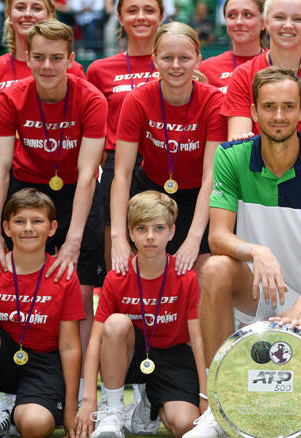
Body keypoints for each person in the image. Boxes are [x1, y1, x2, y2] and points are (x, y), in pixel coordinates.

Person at [180, 66, 301, 438]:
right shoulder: (231, 157)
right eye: (270, 107)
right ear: (254, 111)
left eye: (288, 106)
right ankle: (216, 404)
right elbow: (218, 236)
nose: (279, 116)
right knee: (214, 268)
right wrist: (255, 251)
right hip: (255, 293)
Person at [0, 19, 106, 362]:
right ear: (27, 57)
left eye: (56, 58)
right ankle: (10, 375)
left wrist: (73, 239)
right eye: (39, 57)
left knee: (81, 290)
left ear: (71, 59)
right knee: (14, 280)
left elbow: (88, 174)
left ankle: (85, 386)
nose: (47, 66)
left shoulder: (92, 99)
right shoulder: (8, 97)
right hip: (26, 189)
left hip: (76, 192)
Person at [75, 191, 205, 438]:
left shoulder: (185, 276)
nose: (150, 237)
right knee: (115, 323)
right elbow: (95, 341)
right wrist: (88, 399)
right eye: (142, 228)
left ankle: (149, 404)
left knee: (186, 425)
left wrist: (205, 395)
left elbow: (198, 341)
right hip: (133, 355)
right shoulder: (117, 277)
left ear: (171, 232)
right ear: (130, 233)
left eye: (158, 228)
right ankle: (113, 409)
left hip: (173, 357)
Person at [110, 22, 226, 280]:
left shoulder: (213, 101)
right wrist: (118, 236)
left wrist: (194, 239)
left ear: (198, 60)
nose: (176, 65)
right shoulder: (137, 99)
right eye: (167, 58)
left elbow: (211, 176)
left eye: (184, 58)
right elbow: (122, 172)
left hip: (198, 196)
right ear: (154, 60)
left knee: (202, 277)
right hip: (150, 191)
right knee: (142, 274)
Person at [0, 188, 83, 438]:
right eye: (19, 221)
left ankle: (15, 411)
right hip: (2, 359)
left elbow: (69, 346)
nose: (28, 228)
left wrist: (71, 408)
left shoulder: (63, 275)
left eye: (37, 221)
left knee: (34, 427)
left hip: (43, 363)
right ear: (7, 228)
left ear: (52, 228)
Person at [86, 0, 163, 278]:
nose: (141, 17)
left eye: (149, 10)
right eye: (132, 10)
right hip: (116, 167)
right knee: (117, 261)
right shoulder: (99, 70)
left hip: (164, 163)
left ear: (161, 16)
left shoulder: (173, 62)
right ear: (119, 17)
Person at [222, 0, 301, 147]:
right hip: (258, 169)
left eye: (298, 19)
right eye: (279, 17)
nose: (288, 25)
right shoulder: (243, 75)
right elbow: (238, 142)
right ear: (266, 22)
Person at [0, 0, 84, 92]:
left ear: (50, 15)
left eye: (37, 8)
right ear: (9, 15)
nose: (28, 14)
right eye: (20, 8)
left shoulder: (70, 68)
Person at [198, 0, 266, 93]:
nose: (239, 22)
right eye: (232, 15)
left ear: (263, 22)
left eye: (247, 15)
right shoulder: (205, 69)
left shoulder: (276, 64)